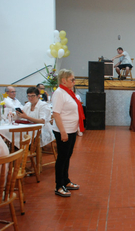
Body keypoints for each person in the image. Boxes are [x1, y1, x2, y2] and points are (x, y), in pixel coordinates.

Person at [52, 69, 85, 197]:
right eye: (72, 79)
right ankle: (59, 186)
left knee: (67, 156)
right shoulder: (59, 93)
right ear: (63, 80)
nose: (74, 81)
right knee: (62, 158)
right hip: (63, 130)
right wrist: (63, 132)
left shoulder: (69, 92)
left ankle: (66, 181)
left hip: (71, 129)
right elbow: (56, 113)